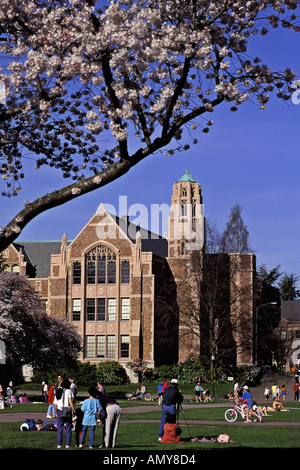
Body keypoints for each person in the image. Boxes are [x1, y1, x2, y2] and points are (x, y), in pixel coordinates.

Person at [54, 379, 76, 448]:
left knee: (60, 429)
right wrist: (73, 409)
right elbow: (70, 401)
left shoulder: (58, 391)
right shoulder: (69, 391)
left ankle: (59, 444)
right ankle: (67, 444)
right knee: (68, 427)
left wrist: (56, 412)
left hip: (59, 410)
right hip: (67, 410)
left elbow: (55, 404)